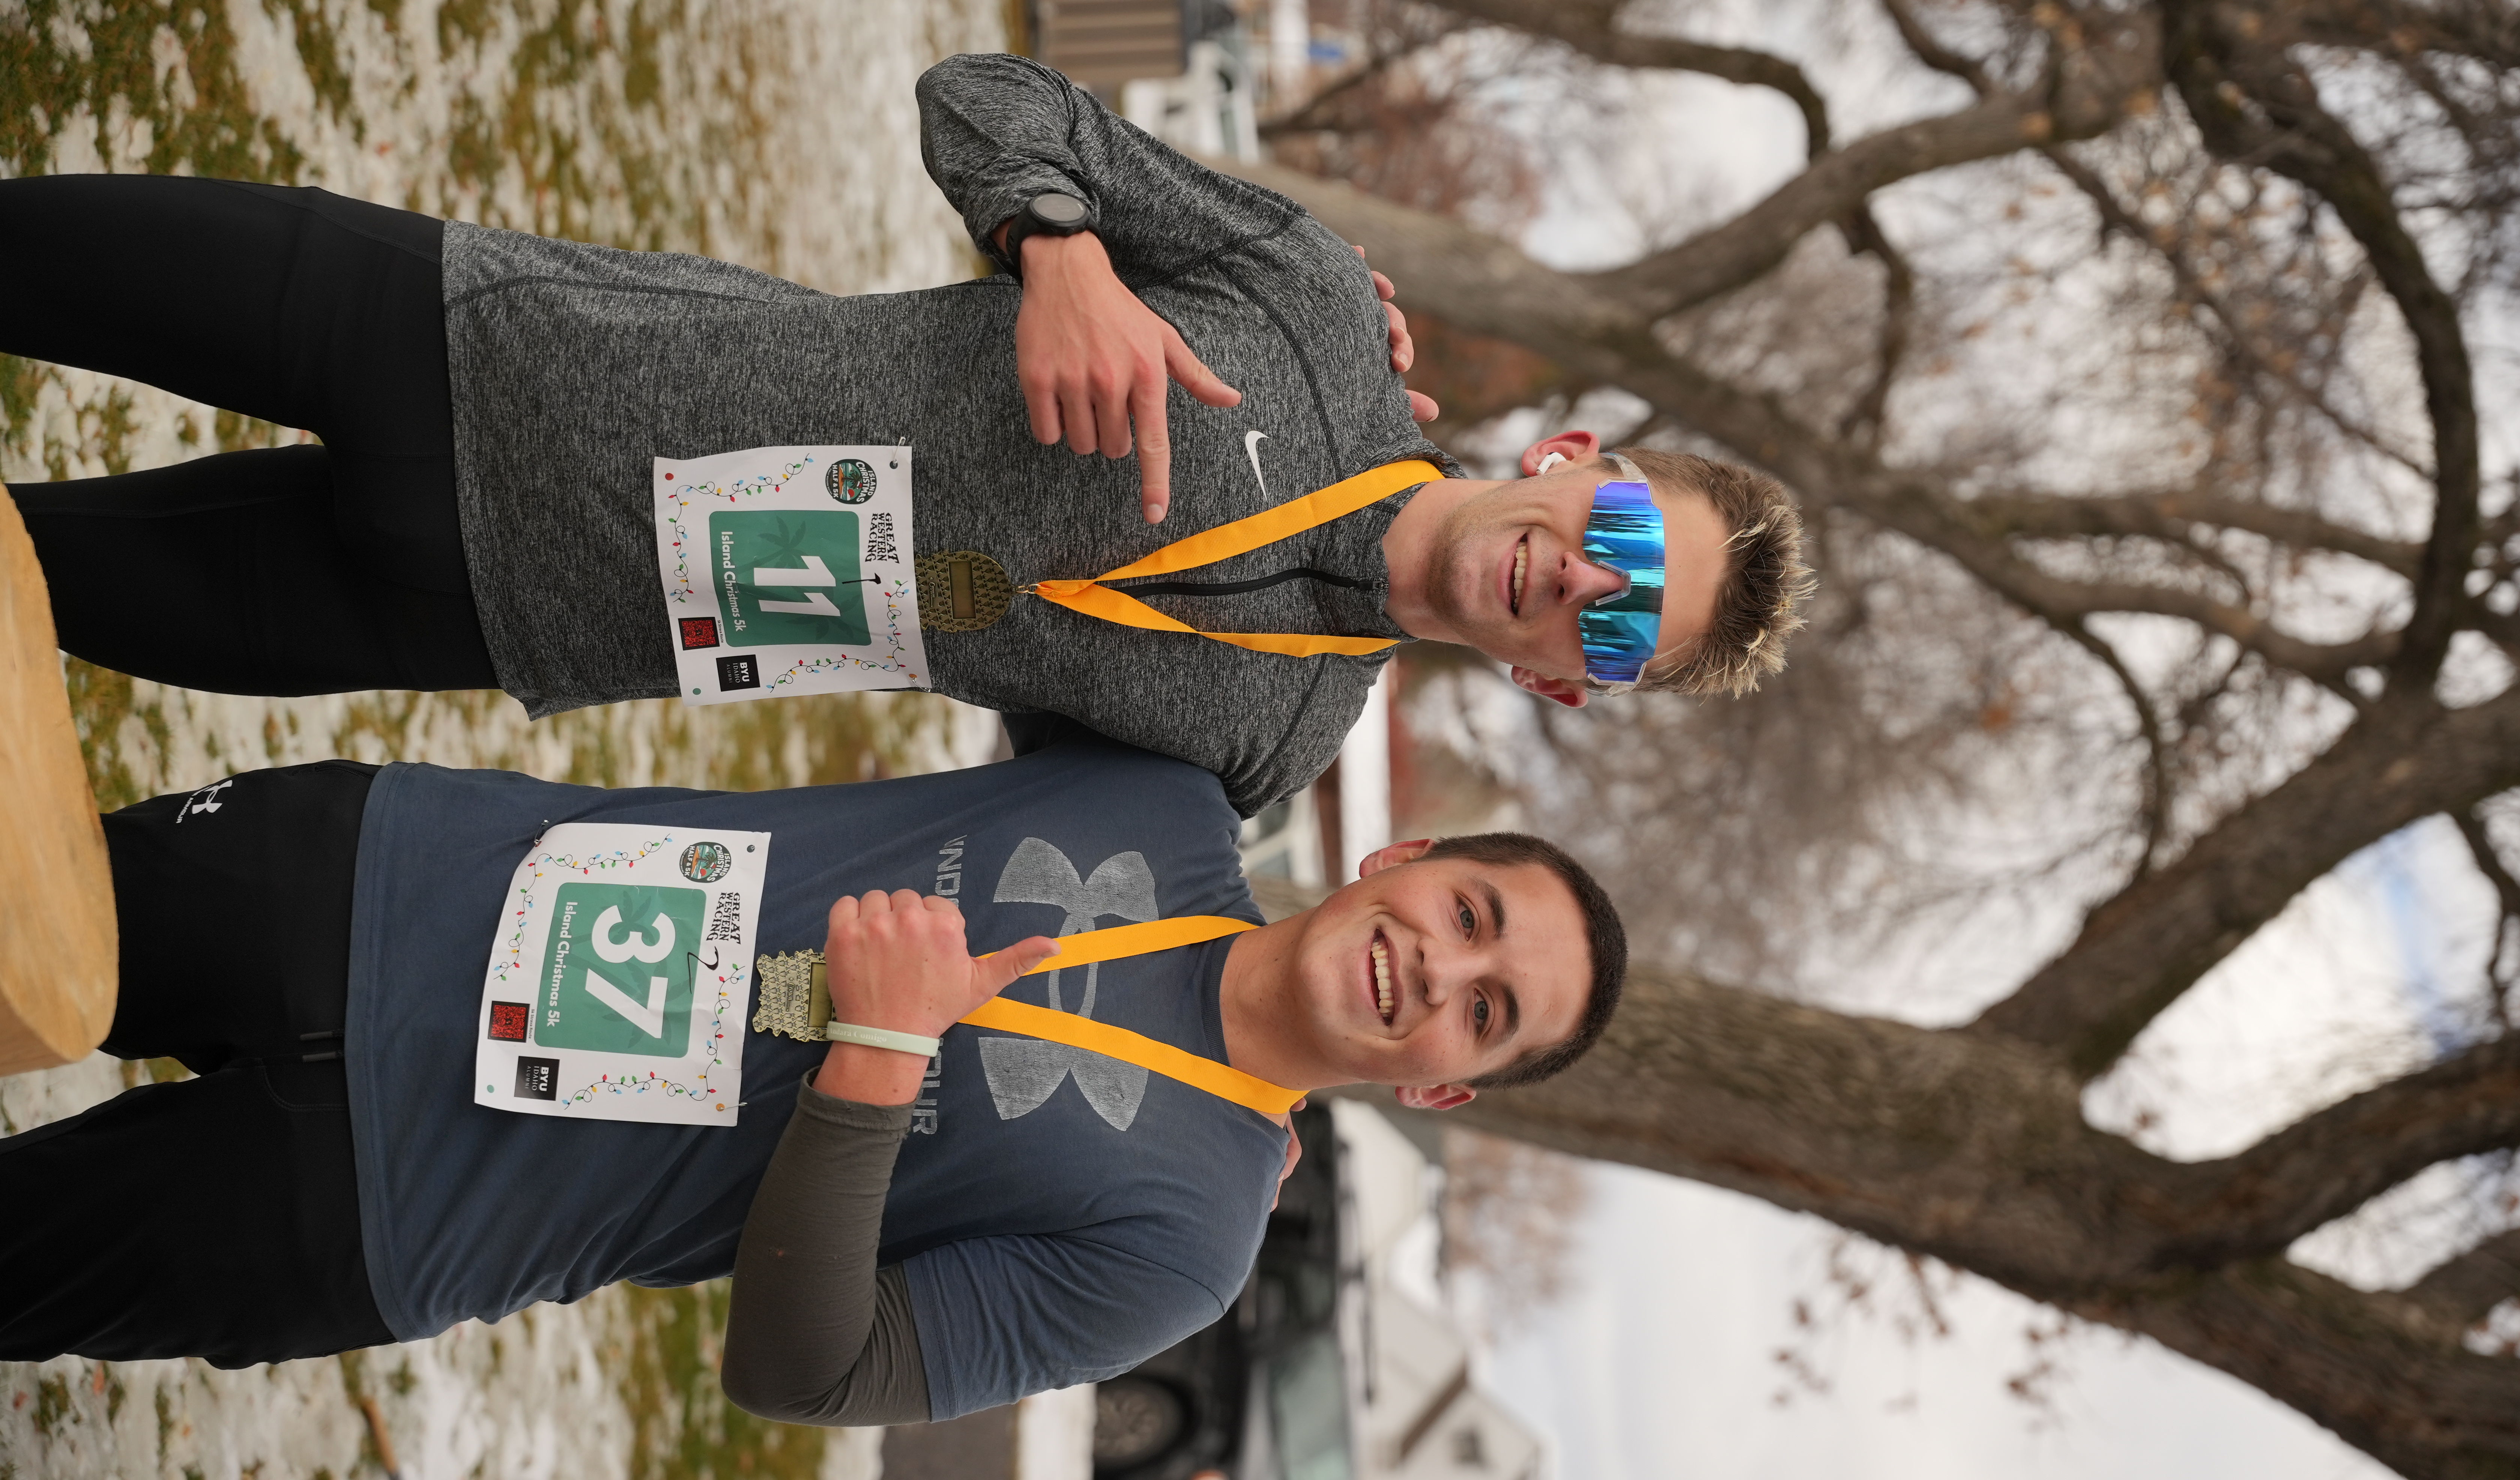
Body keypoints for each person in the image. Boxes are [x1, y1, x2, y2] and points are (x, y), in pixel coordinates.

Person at [0, 53, 1809, 819]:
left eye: (1621, 619)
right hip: (486, 342)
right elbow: (989, 93)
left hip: (498, 615)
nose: (1581, 577)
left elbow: (1015, 869)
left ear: (1577, 683)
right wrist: (1063, 250)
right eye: (1625, 532)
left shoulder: (1262, 755)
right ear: (1581, 456)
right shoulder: (1325, 314)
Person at [0, 728, 1626, 1424]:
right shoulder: (1161, 788)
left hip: (377, 1207)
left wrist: (874, 1064)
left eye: (1485, 1013)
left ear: (1442, 1090)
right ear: (1402, 854)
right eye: (1470, 913)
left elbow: (811, 1371)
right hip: (377, 875)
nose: (1440, 969)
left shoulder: (1187, 1250)